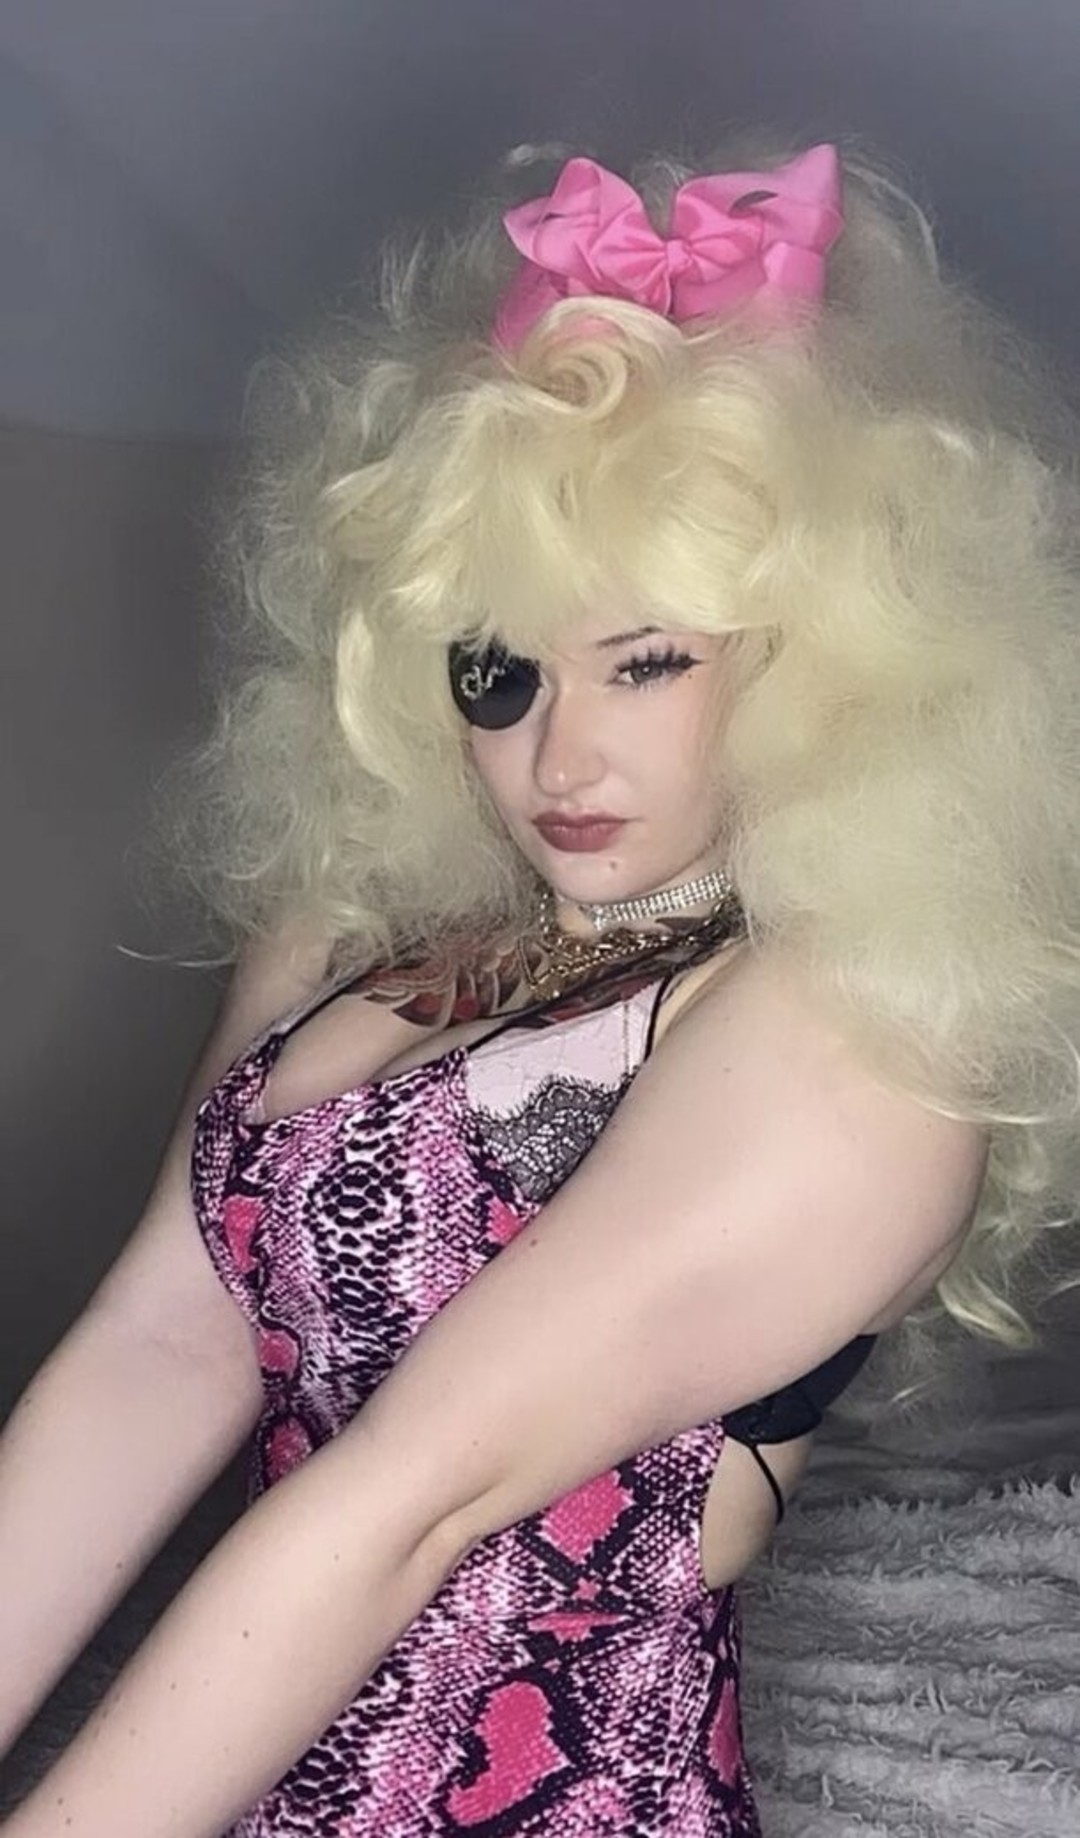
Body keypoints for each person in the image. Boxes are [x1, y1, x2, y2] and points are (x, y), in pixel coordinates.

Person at [2, 135, 1079, 1838]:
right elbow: (158, 1345)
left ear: (820, 654)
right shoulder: (353, 932)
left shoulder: (850, 1049)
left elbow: (414, 1500)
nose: (556, 756)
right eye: (497, 669)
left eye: (645, 661)